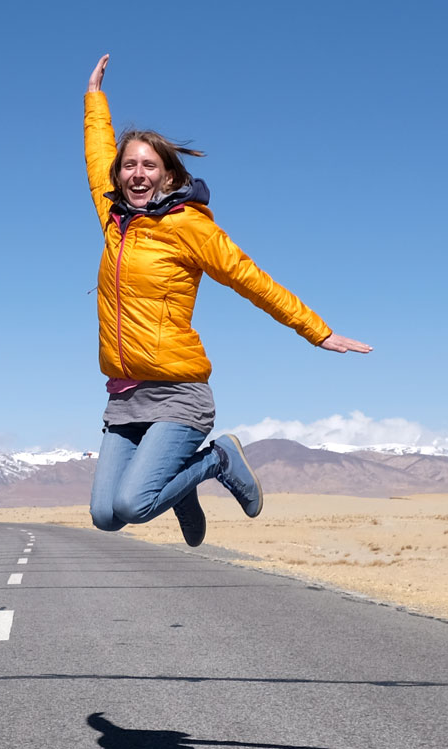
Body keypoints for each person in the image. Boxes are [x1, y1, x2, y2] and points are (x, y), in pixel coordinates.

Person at [83, 54, 371, 547]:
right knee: (106, 517)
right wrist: (95, 100)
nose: (135, 173)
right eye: (128, 165)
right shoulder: (114, 220)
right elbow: (96, 156)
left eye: (148, 165)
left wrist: (316, 330)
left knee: (133, 504)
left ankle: (217, 460)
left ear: (168, 175)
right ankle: (183, 489)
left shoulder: (191, 227)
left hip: (179, 393)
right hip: (125, 395)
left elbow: (251, 279)